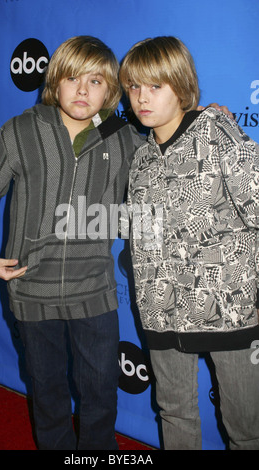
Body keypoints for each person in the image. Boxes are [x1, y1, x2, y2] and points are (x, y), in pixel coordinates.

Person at [0, 33, 231, 450]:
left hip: (95, 295)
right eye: (72, 78)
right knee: (48, 395)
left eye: (96, 81)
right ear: (55, 81)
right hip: (32, 294)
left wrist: (201, 119)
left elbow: (168, 151)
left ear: (110, 90)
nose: (83, 90)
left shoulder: (122, 136)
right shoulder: (21, 130)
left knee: (100, 398)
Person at [119, 36, 259, 450]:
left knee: (247, 428)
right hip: (161, 313)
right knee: (174, 413)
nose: (141, 98)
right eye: (133, 87)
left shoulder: (216, 131)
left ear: (180, 85)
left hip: (230, 311)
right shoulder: (140, 159)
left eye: (155, 86)